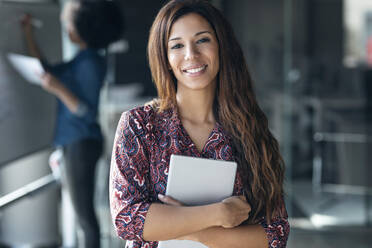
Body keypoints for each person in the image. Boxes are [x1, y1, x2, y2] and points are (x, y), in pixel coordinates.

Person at [109, 0, 289, 247]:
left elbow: (276, 235)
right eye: (177, 45)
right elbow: (127, 220)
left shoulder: (250, 128)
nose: (191, 55)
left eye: (202, 40)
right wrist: (217, 214)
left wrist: (192, 231)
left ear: (221, 46)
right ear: (165, 57)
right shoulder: (140, 125)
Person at [21, 1, 124, 247]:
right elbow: (47, 71)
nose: (66, 25)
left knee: (85, 219)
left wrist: (58, 89)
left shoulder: (90, 63)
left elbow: (85, 112)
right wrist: (27, 34)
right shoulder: (83, 59)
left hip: (82, 144)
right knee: (83, 217)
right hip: (75, 142)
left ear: (83, 29)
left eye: (69, 22)